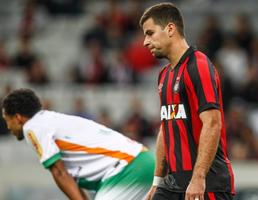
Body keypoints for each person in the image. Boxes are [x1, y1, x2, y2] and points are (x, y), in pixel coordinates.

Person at [139, 3, 235, 200]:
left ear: (170, 29)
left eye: (150, 33)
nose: (145, 42)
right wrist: (157, 182)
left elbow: (212, 123)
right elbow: (166, 128)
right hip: (174, 183)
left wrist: (199, 178)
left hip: (208, 183)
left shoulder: (198, 66)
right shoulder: (164, 76)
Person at [1, 88, 154, 200]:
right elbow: (69, 179)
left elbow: (59, 173)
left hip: (127, 169)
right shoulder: (52, 120)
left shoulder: (32, 126)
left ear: (18, 117)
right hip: (142, 160)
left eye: (7, 120)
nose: (7, 127)